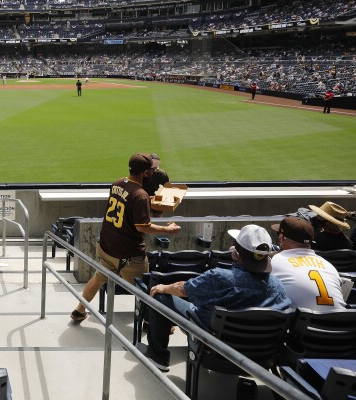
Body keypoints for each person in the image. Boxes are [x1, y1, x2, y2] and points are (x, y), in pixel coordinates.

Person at [140, 224, 292, 372]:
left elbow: (183, 289)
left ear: (236, 253)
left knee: (160, 297)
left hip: (215, 348)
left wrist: (163, 288)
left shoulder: (220, 278)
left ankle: (157, 357)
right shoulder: (278, 287)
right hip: (260, 359)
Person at [71, 153, 181, 323]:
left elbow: (129, 201)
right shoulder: (140, 195)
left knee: (99, 277)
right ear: (145, 172)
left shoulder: (118, 183)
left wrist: (148, 200)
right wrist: (168, 229)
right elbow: (142, 227)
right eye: (152, 170)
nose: (155, 171)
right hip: (129, 253)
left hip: (108, 247)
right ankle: (149, 322)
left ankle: (79, 310)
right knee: (145, 289)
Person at [270, 215, 345, 310]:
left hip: (304, 323)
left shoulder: (277, 260)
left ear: (282, 238)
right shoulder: (329, 265)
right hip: (340, 321)